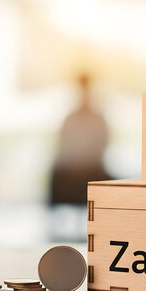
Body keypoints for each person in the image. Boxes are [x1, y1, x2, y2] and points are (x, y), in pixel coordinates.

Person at [50, 73, 109, 205]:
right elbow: (63, 147)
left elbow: (102, 146)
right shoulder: (71, 119)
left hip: (92, 170)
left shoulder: (97, 119)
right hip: (73, 171)